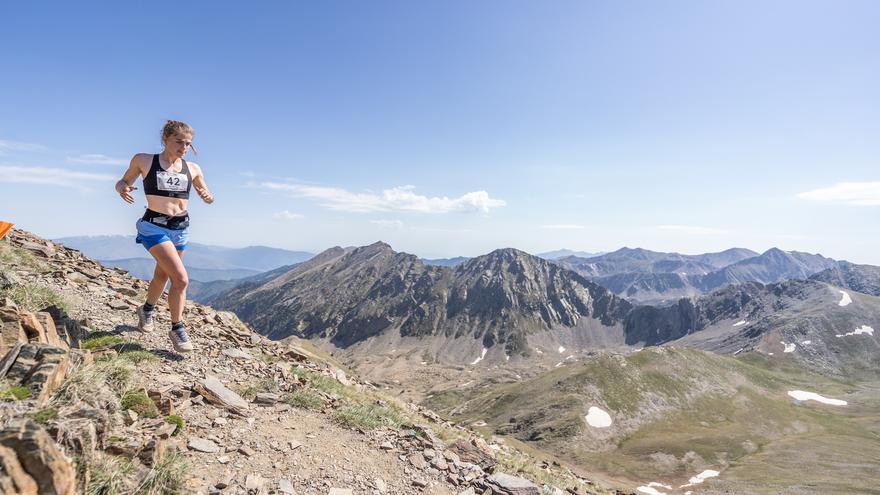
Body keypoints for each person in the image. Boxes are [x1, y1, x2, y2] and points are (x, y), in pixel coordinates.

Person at [115, 120, 214, 353]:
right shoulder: (144, 160)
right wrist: (123, 188)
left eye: (188, 143)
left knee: (162, 275)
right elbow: (123, 180)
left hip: (181, 228)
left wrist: (208, 196)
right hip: (153, 226)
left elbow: (205, 192)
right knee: (180, 279)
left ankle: (147, 309)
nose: (184, 147)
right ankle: (177, 328)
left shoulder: (193, 169)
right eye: (179, 141)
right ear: (165, 139)